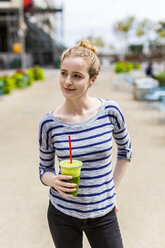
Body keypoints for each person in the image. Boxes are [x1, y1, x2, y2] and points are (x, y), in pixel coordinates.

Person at [38, 40, 132, 248]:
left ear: (92, 80)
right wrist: (53, 180)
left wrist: (111, 192)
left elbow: (126, 152)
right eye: (63, 73)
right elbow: (43, 169)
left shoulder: (110, 111)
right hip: (62, 215)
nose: (67, 82)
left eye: (77, 76)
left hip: (104, 215)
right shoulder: (49, 123)